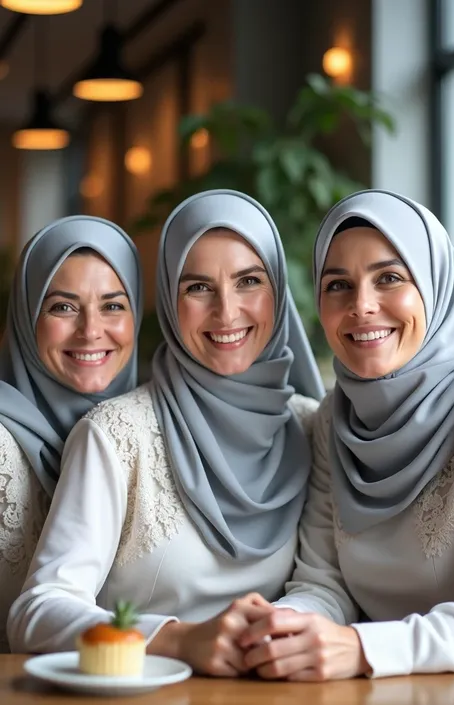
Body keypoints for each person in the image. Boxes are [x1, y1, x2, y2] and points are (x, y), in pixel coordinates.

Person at [8, 189, 325, 676]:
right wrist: (175, 639)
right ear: (168, 303)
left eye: (249, 281)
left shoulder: (312, 426)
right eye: (198, 287)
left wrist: (276, 633)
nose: (226, 311)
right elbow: (37, 610)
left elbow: (324, 582)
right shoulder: (115, 433)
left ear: (279, 290)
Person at [237, 188, 454, 680]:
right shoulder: (334, 418)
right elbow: (325, 582)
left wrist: (362, 647)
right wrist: (282, 627)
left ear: (435, 285)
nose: (361, 306)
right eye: (338, 284)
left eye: (389, 277)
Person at [0, 215, 142, 652]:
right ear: (27, 316)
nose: (90, 330)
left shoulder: (143, 434)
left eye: (113, 306)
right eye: (62, 306)